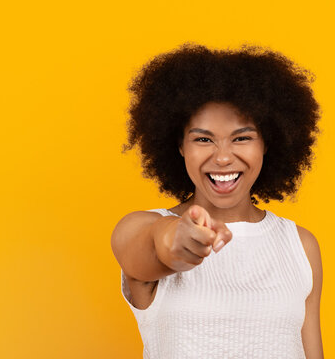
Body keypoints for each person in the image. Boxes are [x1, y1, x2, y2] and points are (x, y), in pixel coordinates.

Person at [111, 42, 324, 359]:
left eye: (242, 137)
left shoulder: (299, 245)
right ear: (180, 146)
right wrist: (179, 240)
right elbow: (154, 246)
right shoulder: (142, 226)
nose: (223, 157)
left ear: (267, 143)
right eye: (203, 139)